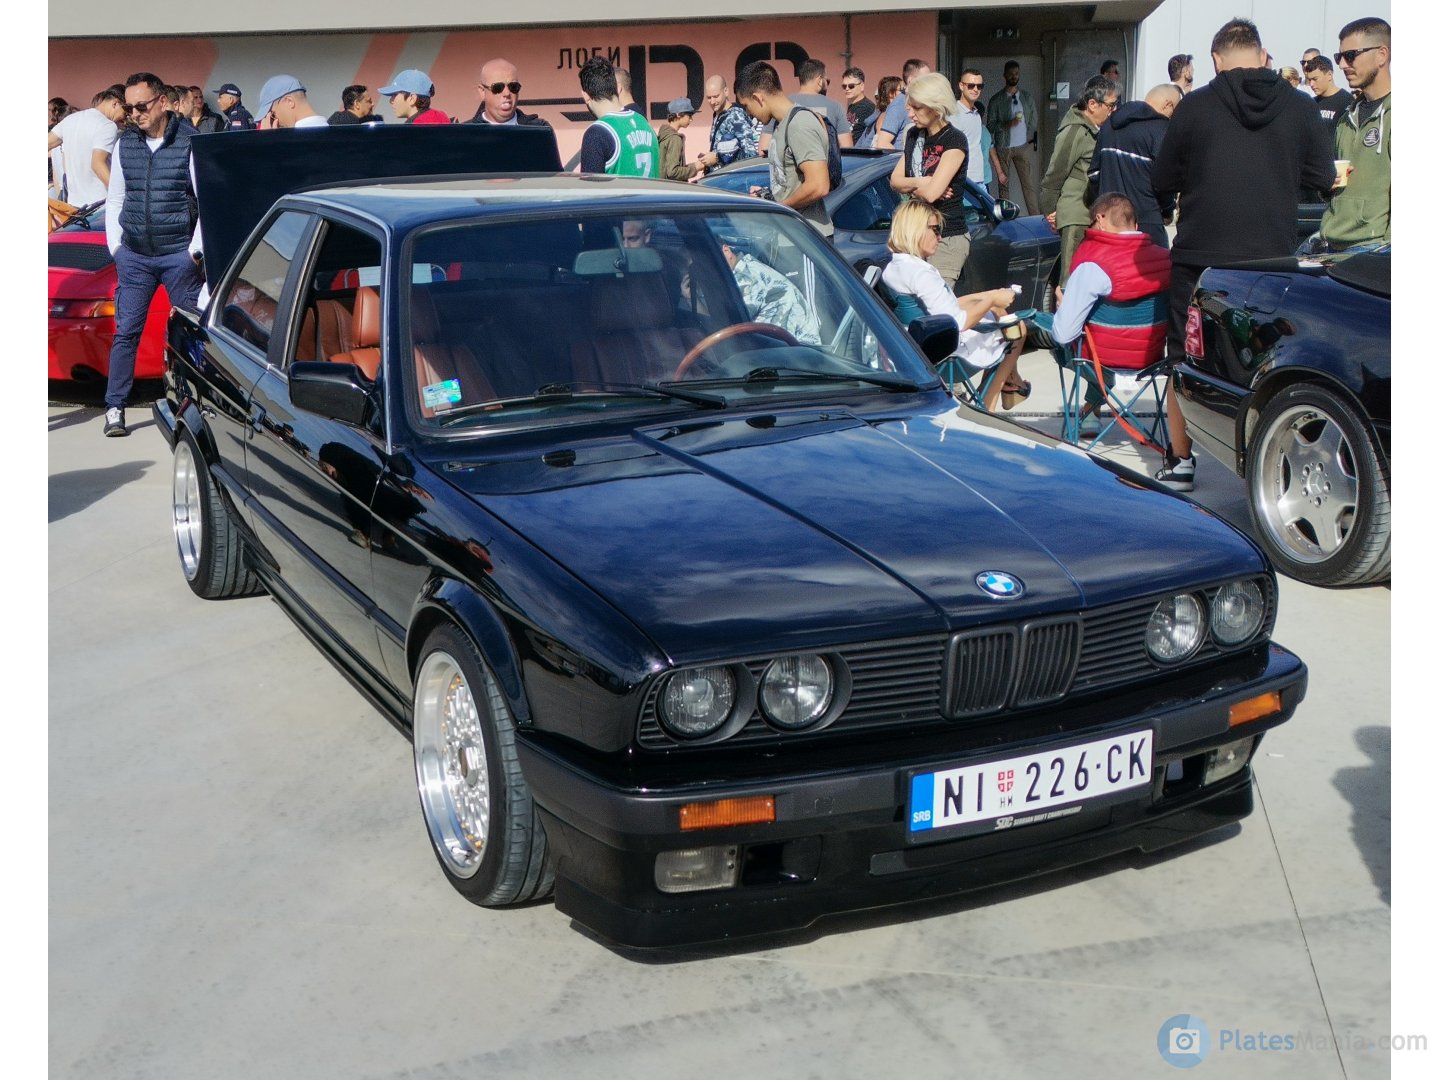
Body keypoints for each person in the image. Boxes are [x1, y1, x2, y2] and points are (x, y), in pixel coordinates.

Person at [1151, 17, 1334, 490]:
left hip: (1201, 256)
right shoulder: (1298, 106)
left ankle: (1181, 460)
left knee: (1184, 356)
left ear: (1216, 59)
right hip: (1270, 259)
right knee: (1267, 359)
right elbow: (1321, 176)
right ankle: (1269, 460)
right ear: (1261, 54)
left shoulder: (1195, 108)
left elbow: (1162, 180)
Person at [101, 72, 204, 437]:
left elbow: (207, 202)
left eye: (141, 106)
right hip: (135, 257)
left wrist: (194, 252)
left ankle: (200, 406)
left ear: (163, 102)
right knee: (126, 332)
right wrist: (116, 247)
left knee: (191, 335)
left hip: (179, 256)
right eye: (129, 108)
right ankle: (115, 407)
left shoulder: (192, 142)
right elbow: (115, 199)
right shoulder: (125, 144)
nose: (135, 114)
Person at [1025, 192, 1171, 434]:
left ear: (1100, 219)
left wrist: (1063, 307)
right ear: (1135, 226)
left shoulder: (1094, 265)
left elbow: (1063, 334)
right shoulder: (1166, 260)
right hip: (1151, 360)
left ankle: (1088, 413)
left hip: (1100, 363)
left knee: (1053, 326)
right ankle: (1090, 411)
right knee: (1098, 330)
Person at [881, 201, 1027, 412]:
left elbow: (939, 307)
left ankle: (1011, 385)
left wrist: (988, 296)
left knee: (999, 314)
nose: (940, 237)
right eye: (935, 229)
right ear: (916, 229)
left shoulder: (895, 267)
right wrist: (992, 300)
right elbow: (956, 322)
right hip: (943, 355)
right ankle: (990, 404)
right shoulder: (921, 273)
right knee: (1016, 329)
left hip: (912, 347)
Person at [734, 60, 833, 237]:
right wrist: (769, 195)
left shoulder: (800, 124)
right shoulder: (782, 125)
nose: (748, 114)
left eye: (746, 106)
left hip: (808, 239)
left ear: (758, 98)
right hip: (791, 237)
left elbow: (819, 185)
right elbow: (791, 182)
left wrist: (780, 208)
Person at [889, 72, 969, 289]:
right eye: (910, 108)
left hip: (945, 236)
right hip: (913, 234)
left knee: (937, 310)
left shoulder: (954, 139)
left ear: (935, 106)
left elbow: (933, 195)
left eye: (917, 108)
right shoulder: (914, 135)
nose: (911, 114)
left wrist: (919, 186)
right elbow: (895, 181)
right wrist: (924, 182)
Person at [1319, 17, 1390, 249]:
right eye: (1339, 57)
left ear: (1381, 55)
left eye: (1350, 56)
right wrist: (1327, 183)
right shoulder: (1347, 117)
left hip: (1375, 248)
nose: (1341, 65)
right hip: (1331, 240)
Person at [1040, 78, 1119, 286]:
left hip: (1092, 213)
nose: (1114, 110)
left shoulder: (1098, 130)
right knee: (1071, 282)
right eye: (1110, 105)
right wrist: (1050, 212)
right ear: (1092, 104)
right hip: (1076, 214)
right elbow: (1053, 176)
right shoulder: (1075, 131)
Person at [1091, 83, 1181, 248]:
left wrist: (1104, 206)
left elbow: (1094, 174)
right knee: (1154, 271)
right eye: (1175, 111)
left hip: (1109, 223)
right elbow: (1165, 180)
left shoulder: (1109, 125)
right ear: (1168, 105)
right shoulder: (1161, 130)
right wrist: (1168, 209)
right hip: (1148, 223)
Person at [720, 239, 821, 344]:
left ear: (727, 250)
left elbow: (729, 323)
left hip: (797, 354)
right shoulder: (743, 267)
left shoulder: (749, 280)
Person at [577, 56, 658, 176]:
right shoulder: (644, 123)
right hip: (651, 194)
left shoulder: (598, 133)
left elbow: (590, 191)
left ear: (585, 95)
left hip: (621, 195)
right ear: (617, 88)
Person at [48, 87, 124, 207]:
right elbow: (97, 164)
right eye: (125, 112)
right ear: (115, 103)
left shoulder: (71, 119)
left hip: (74, 206)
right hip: (99, 205)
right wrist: (122, 195)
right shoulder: (107, 125)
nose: (125, 118)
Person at [986, 60, 1040, 213]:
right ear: (1005, 76)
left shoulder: (1027, 98)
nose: (1013, 76)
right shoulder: (997, 100)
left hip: (1022, 147)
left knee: (1028, 185)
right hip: (1003, 146)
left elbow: (1033, 122)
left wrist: (1028, 142)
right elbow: (990, 126)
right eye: (1010, 74)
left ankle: (1035, 217)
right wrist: (1007, 124)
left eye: (1016, 73)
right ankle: (1006, 216)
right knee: (1004, 186)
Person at [696, 75, 760, 170]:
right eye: (709, 98)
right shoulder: (718, 115)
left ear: (726, 91)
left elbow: (750, 154)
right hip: (719, 179)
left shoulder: (735, 116)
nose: (712, 101)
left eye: (716, 96)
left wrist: (718, 158)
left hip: (732, 180)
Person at [467, 59, 550, 128]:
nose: (507, 93)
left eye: (513, 86)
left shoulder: (539, 129)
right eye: (498, 87)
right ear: (482, 91)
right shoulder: (464, 134)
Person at [875, 59, 931, 150]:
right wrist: (906, 160)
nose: (929, 83)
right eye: (926, 79)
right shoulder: (899, 104)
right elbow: (882, 143)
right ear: (911, 80)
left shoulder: (922, 101)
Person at [951, 69, 988, 186]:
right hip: (963, 181)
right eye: (971, 86)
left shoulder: (977, 115)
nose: (976, 89)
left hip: (979, 179)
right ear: (961, 86)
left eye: (979, 86)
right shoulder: (954, 114)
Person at [380, 69, 450, 124]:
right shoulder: (441, 118)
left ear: (412, 98)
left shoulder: (412, 131)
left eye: (394, 94)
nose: (391, 101)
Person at [657, 98, 702, 181]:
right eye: (689, 115)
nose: (691, 119)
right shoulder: (674, 139)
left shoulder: (664, 135)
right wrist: (695, 167)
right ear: (678, 115)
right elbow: (672, 172)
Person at [257, 76, 327, 128]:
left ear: (289, 101)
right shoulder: (334, 132)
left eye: (272, 115)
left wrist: (267, 141)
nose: (273, 123)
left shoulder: (290, 142)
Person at [1303, 56, 1353, 129]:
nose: (1311, 84)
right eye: (1309, 80)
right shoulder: (1312, 103)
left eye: (1315, 79)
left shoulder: (1347, 102)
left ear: (1329, 75)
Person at [840, 67, 875, 145]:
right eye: (844, 86)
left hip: (860, 153)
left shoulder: (868, 108)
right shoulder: (852, 107)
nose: (847, 89)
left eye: (851, 86)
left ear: (862, 86)